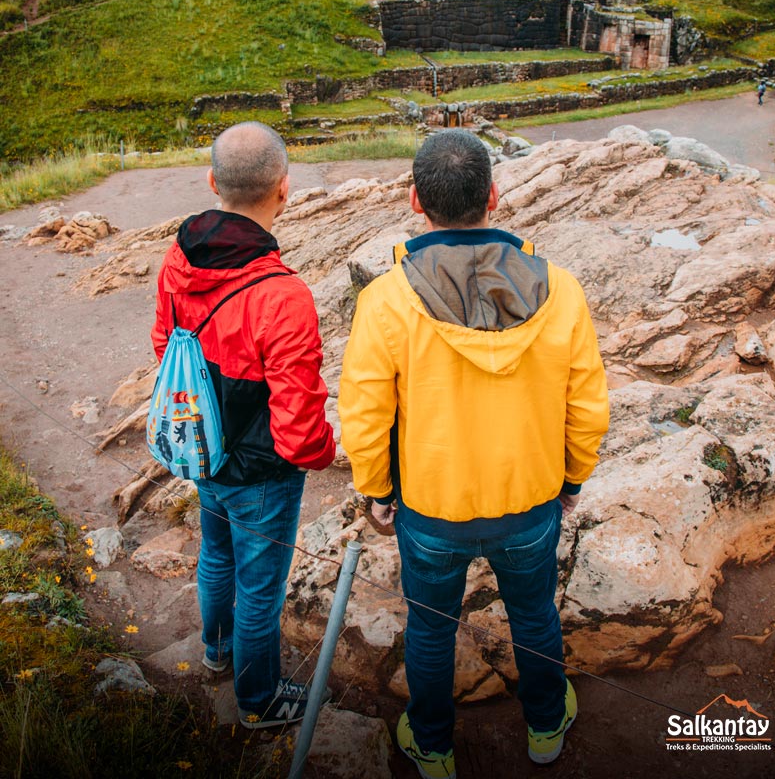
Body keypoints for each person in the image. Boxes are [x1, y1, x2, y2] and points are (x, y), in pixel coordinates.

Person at [339, 130, 609, 778]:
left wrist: (377, 490)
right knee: (535, 613)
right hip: (532, 499)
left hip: (431, 509)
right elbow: (588, 403)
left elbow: (365, 413)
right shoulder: (561, 288)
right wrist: (572, 477)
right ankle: (547, 723)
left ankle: (432, 744)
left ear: (413, 200)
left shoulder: (383, 302)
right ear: (494, 194)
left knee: (430, 631)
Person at [151, 121, 335, 730]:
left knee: (217, 554)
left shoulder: (177, 262)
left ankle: (216, 651)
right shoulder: (282, 294)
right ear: (284, 190)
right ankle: (259, 699)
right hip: (262, 470)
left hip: (201, 447)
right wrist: (317, 453)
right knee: (261, 586)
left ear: (212, 181)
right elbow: (300, 410)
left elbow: (164, 348)